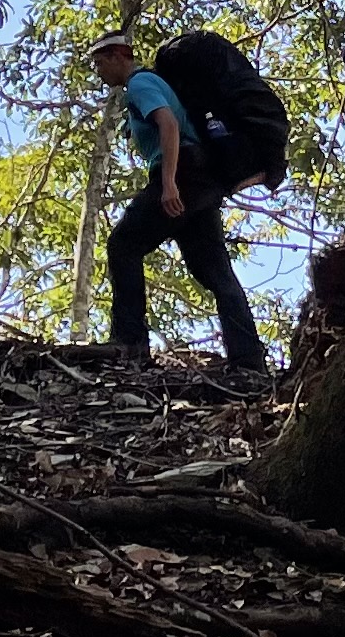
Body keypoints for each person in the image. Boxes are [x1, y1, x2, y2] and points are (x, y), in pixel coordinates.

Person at [91, 31, 267, 393]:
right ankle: (248, 361)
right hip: (202, 179)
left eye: (99, 62)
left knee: (123, 245)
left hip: (183, 173)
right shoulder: (150, 82)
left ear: (116, 56)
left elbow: (168, 124)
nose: (98, 71)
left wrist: (169, 183)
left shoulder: (140, 82)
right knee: (215, 272)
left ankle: (130, 342)